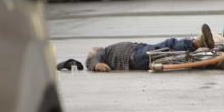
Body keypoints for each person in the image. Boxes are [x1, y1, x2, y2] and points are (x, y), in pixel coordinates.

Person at [86, 24, 215, 72]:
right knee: (168, 45)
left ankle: (208, 59)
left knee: (170, 53)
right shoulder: (102, 53)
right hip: (133, 56)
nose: (95, 48)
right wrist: (97, 65)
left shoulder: (107, 51)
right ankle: (197, 43)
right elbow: (92, 60)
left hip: (138, 51)